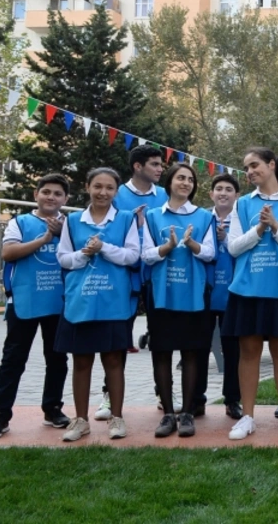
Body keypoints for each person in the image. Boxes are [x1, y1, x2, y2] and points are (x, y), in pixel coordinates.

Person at [224, 148, 278, 440]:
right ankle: (247, 417)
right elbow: (233, 247)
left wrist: (275, 226)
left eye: (254, 165)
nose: (249, 172)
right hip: (248, 288)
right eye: (246, 167)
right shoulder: (242, 205)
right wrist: (259, 228)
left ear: (272, 165)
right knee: (248, 353)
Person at [0, 173, 71, 440]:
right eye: (46, 192)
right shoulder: (19, 223)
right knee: (13, 359)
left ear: (65, 199)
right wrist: (44, 240)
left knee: (57, 359)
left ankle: (53, 409)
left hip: (58, 303)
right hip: (24, 301)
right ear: (36, 195)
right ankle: (0, 416)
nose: (51, 197)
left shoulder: (71, 225)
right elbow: (9, 253)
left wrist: (63, 234)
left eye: (57, 193)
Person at [55, 167, 140, 442]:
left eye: (109, 188)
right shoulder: (73, 220)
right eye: (98, 186)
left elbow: (132, 256)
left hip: (113, 301)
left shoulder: (126, 219)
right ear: (87, 187)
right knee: (81, 361)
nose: (103, 192)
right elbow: (63, 258)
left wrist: (103, 247)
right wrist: (84, 254)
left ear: (116, 191)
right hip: (80, 300)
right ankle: (80, 420)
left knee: (114, 360)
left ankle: (117, 417)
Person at [142, 163, 216, 438]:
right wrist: (168, 247)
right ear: (170, 182)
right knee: (161, 352)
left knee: (191, 353)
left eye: (190, 179)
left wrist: (192, 244)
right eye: (180, 178)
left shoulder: (204, 217)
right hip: (161, 294)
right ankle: (168, 414)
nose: (185, 183)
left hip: (194, 294)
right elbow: (145, 254)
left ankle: (187, 413)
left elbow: (210, 253)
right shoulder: (152, 216)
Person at [102, 145, 166, 419]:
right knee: (118, 338)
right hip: (125, 275)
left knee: (161, 337)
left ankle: (164, 393)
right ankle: (108, 396)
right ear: (138, 167)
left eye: (161, 164)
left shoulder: (164, 195)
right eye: (154, 164)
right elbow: (106, 229)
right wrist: (134, 225)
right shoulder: (118, 196)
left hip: (156, 274)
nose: (160, 169)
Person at [194, 173, 242, 421]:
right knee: (199, 346)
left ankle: (232, 400)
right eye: (219, 189)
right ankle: (197, 399)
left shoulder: (242, 220)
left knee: (232, 350)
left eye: (229, 189)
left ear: (236, 195)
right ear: (211, 194)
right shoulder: (201, 218)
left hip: (232, 292)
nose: (223, 193)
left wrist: (228, 239)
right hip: (204, 292)